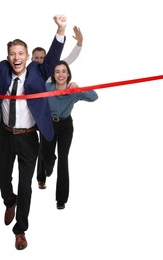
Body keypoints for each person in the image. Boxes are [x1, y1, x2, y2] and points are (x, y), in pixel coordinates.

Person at [0, 12, 67, 250]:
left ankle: (20, 230)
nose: (16, 58)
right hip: (5, 134)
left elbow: (54, 56)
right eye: (12, 54)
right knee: (1, 177)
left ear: (27, 57)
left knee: (24, 185)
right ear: (8, 57)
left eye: (20, 54)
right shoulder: (0, 70)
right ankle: (10, 201)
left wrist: (60, 30)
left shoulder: (38, 71)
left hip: (28, 137)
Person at [40, 60, 98, 210]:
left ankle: (61, 199)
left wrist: (79, 88)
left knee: (63, 159)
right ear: (53, 74)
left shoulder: (73, 91)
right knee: (47, 156)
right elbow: (30, 96)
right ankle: (49, 164)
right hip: (49, 125)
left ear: (68, 74)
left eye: (63, 71)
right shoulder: (47, 88)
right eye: (57, 71)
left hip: (65, 126)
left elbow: (94, 97)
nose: (60, 74)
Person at [33, 25, 83, 189]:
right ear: (31, 59)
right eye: (36, 58)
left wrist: (80, 42)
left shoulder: (52, 70)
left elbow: (70, 59)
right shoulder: (29, 73)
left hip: (58, 117)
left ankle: (52, 183)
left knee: (53, 152)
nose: (40, 60)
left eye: (42, 57)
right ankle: (42, 176)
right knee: (43, 150)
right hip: (40, 117)